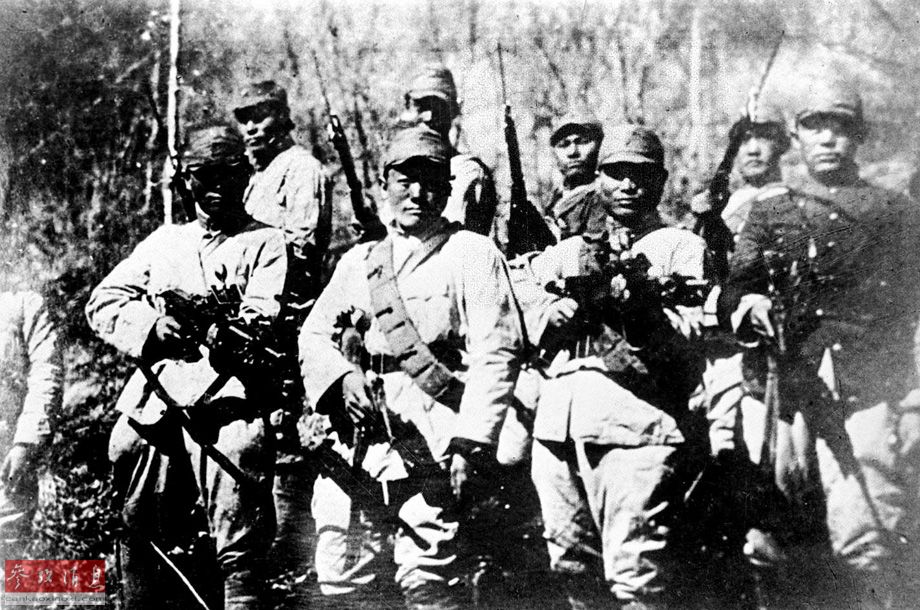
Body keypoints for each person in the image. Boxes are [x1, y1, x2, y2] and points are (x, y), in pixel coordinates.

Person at [711, 79, 920, 607]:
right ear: (797, 137)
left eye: (841, 127)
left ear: (859, 136)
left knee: (865, 536)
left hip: (866, 391)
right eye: (814, 126)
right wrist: (749, 304)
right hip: (783, 390)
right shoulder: (770, 211)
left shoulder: (893, 212)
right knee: (773, 537)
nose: (827, 139)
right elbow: (735, 287)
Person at [299, 124, 524, 609]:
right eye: (405, 180)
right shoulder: (359, 261)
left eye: (431, 182)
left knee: (429, 577)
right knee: (342, 576)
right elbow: (313, 337)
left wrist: (471, 443)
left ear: (447, 188)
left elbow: (498, 351)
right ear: (385, 185)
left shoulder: (471, 254)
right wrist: (343, 378)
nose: (418, 193)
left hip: (436, 437)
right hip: (358, 444)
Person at [86, 126, 286, 609]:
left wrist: (219, 330)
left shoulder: (265, 241)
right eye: (204, 175)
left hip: (229, 396)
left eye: (228, 174)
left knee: (238, 481)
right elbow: (103, 301)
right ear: (187, 180)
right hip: (159, 395)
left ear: (246, 177)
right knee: (128, 461)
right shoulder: (166, 241)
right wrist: (152, 328)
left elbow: (262, 316)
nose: (216, 186)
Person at [524, 124, 709, 609]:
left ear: (660, 183)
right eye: (616, 173)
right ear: (598, 178)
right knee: (571, 568)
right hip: (559, 428)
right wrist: (550, 312)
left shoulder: (680, 247)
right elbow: (519, 297)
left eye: (641, 175)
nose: (628, 185)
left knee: (635, 578)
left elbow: (693, 334)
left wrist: (644, 311)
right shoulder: (569, 252)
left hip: (637, 428)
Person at [232, 79, 331, 585]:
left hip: (289, 322)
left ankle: (295, 559)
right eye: (244, 120)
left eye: (260, 116)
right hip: (255, 323)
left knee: (289, 440)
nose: (252, 128)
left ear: (283, 118)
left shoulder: (302, 169)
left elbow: (303, 250)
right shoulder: (257, 178)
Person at [400, 64, 498, 236]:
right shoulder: (397, 173)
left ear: (453, 112)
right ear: (408, 109)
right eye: (422, 107)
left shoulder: (466, 173)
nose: (429, 117)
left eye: (438, 108)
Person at [0, 290, 62, 556]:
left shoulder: (23, 306)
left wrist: (26, 442)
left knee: (8, 544)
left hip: (8, 456)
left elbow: (46, 374)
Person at [691, 103, 790, 237]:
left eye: (764, 137)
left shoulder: (787, 202)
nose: (753, 150)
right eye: (744, 139)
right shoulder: (731, 200)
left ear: (782, 144)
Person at [544, 110, 605, 239]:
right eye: (563, 144)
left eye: (582, 141)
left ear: (599, 145)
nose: (572, 152)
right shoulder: (555, 199)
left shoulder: (606, 197)